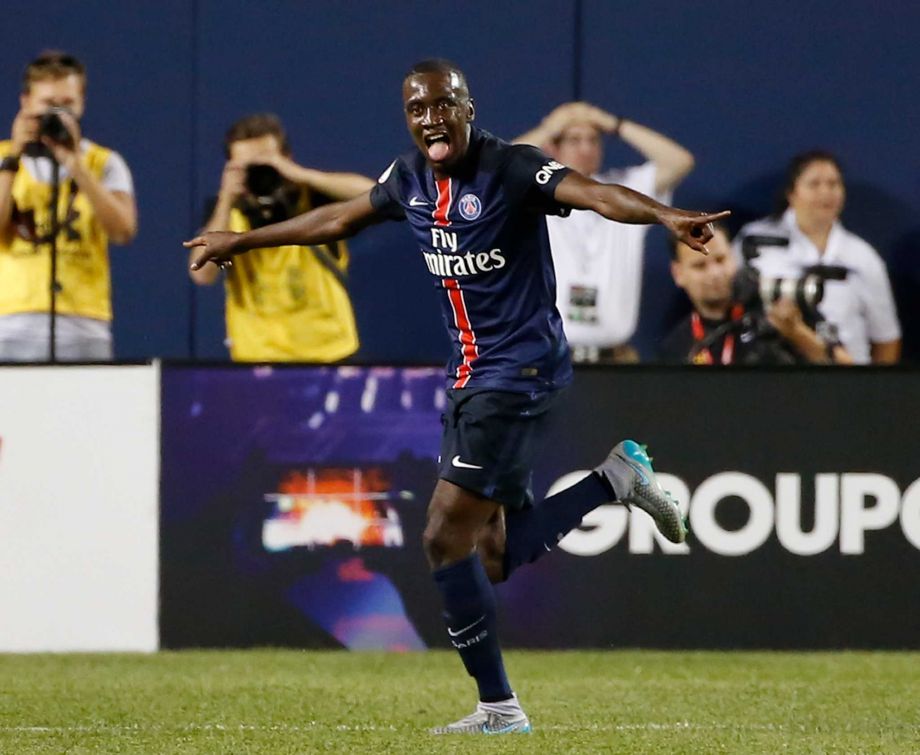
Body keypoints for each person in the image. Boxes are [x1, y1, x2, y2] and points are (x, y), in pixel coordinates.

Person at [185, 59, 727, 735]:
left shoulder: (511, 168)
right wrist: (243, 238)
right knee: (489, 554)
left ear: (468, 106)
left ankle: (499, 708)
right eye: (417, 110)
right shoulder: (408, 178)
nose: (431, 119)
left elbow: (594, 192)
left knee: (443, 535)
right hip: (470, 377)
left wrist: (664, 215)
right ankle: (616, 479)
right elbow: (338, 219)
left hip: (518, 373)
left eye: (443, 105)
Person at [515, 102, 694, 363]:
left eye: (593, 140)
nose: (586, 148)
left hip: (615, 359)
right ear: (554, 148)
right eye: (574, 140)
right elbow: (495, 171)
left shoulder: (623, 191)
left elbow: (679, 162)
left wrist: (614, 124)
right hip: (550, 357)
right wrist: (548, 128)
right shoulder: (538, 192)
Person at [189, 113, 372, 362]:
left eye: (265, 165)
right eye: (248, 167)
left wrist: (302, 175)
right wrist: (226, 199)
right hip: (256, 362)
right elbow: (201, 274)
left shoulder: (314, 198)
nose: (259, 174)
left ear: (286, 158)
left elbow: (377, 196)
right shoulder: (226, 213)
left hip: (330, 356)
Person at [0, 51, 137, 361]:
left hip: (83, 320)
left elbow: (123, 231)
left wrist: (76, 165)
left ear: (82, 103)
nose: (57, 113)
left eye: (67, 104)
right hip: (11, 319)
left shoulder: (104, 163)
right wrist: (12, 159)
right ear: (25, 102)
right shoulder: (4, 158)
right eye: (48, 104)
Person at [733, 151, 900, 364]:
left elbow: (886, 339)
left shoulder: (863, 258)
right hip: (769, 374)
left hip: (844, 379)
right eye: (814, 184)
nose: (825, 193)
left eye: (833, 184)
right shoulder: (753, 241)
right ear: (791, 193)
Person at [660, 226, 852, 364]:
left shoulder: (781, 308)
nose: (715, 273)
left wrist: (795, 333)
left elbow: (847, 368)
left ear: (734, 258)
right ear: (678, 274)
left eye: (720, 260)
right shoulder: (677, 345)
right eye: (700, 266)